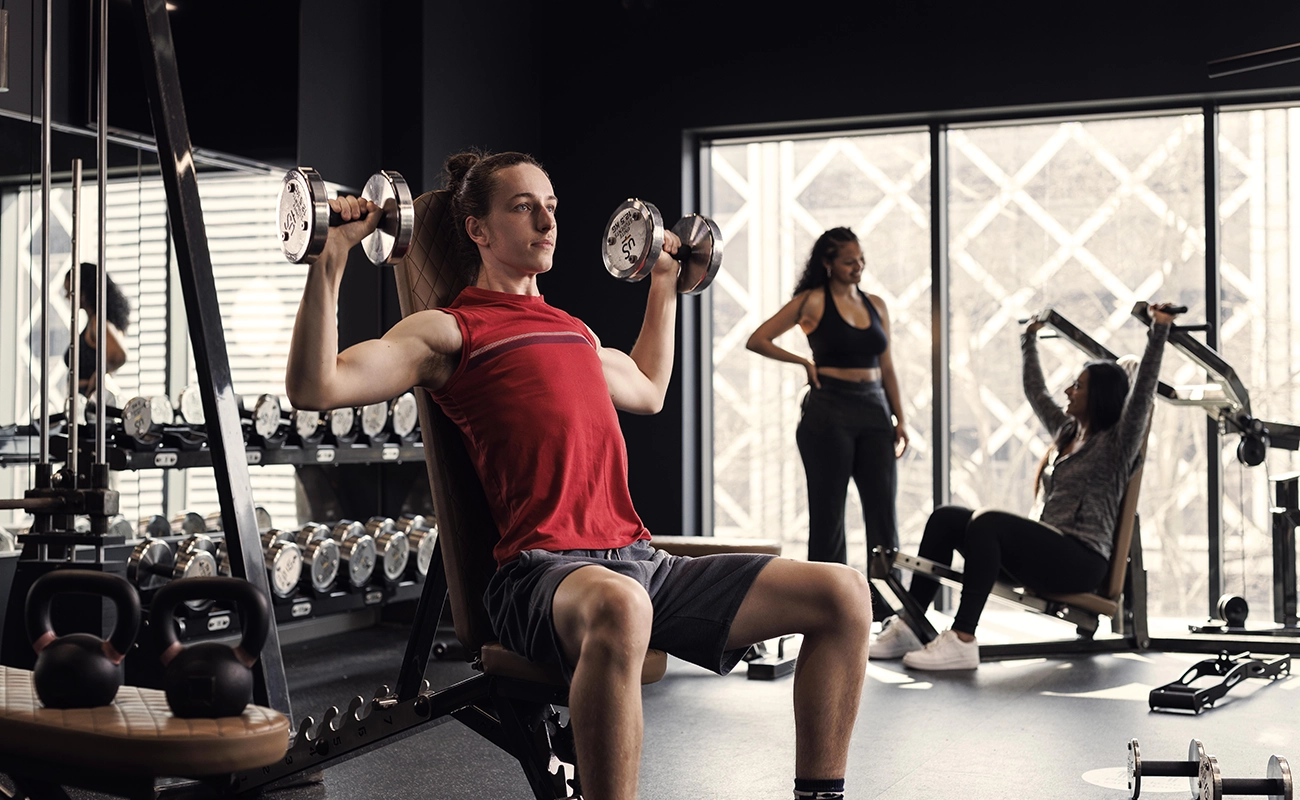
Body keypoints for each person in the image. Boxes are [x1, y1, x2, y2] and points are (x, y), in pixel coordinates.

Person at [285, 151, 871, 800]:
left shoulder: (576, 333)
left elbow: (648, 388)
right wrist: (329, 260)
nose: (547, 220)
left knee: (842, 593)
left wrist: (663, 285)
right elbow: (317, 386)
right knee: (622, 606)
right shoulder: (451, 329)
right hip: (543, 574)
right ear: (479, 230)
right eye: (524, 207)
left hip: (640, 562)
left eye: (552, 206)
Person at [872, 304, 1180, 671]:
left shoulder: (1117, 444)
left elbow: (1143, 393)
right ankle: (911, 625)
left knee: (988, 523)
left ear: (1098, 397)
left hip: (1080, 560)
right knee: (946, 519)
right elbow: (1036, 392)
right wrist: (1028, 339)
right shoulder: (1068, 433)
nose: (1068, 390)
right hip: (1048, 553)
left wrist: (1158, 329)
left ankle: (963, 639)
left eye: (1078, 386)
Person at [746, 228, 907, 620]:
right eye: (850, 261)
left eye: (861, 259)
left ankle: (887, 614)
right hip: (828, 412)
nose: (858, 267)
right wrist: (803, 362)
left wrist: (900, 418)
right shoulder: (812, 302)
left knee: (883, 516)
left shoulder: (876, 305)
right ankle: (828, 611)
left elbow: (887, 365)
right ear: (828, 263)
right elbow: (758, 338)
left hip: (874, 412)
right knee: (828, 516)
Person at [63, 262, 129, 398]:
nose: (67, 296)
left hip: (93, 404)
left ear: (83, 292)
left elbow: (119, 356)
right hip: (87, 404)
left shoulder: (97, 322)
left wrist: (99, 374)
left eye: (70, 291)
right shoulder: (95, 321)